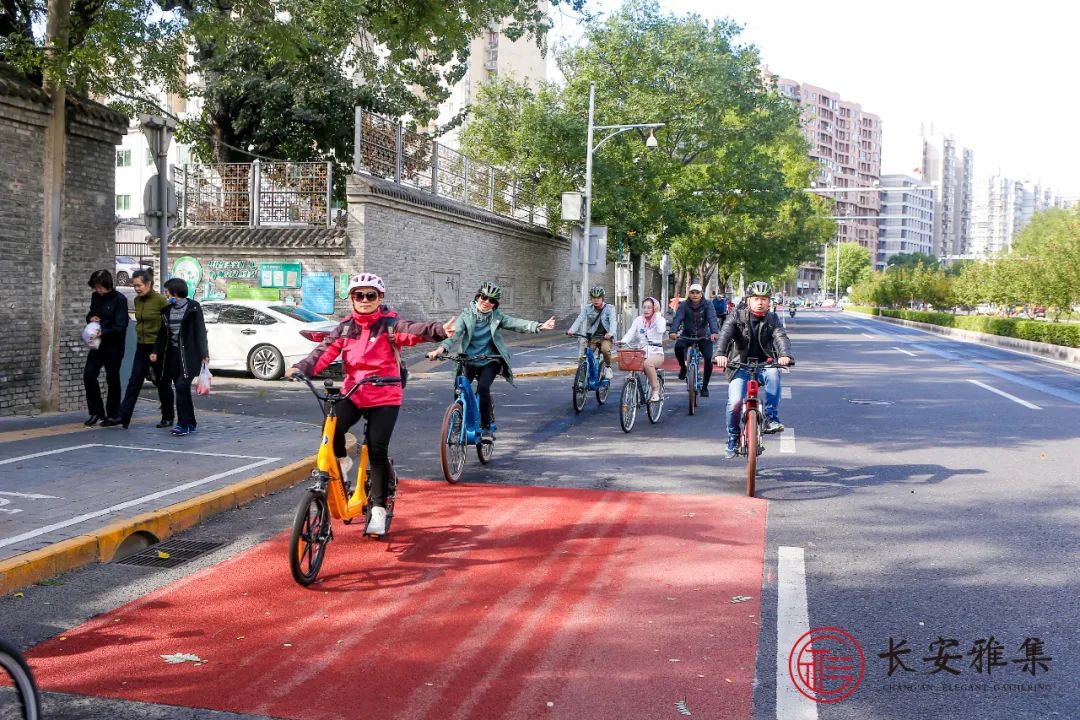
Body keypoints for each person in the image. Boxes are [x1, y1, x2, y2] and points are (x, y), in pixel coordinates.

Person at [286, 273, 453, 537]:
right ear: (352, 298)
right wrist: (301, 368)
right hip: (353, 392)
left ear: (379, 297)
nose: (364, 300)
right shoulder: (344, 328)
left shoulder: (390, 324)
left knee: (376, 450)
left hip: (385, 395)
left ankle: (377, 509)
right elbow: (323, 353)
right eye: (359, 295)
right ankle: (342, 462)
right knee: (331, 428)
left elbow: (413, 331)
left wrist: (439, 331)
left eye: (370, 295)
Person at [428, 281, 556, 442]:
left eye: (492, 300)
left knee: (483, 388)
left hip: (489, 360)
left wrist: (539, 326)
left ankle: (486, 427)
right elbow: (454, 334)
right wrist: (440, 350)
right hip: (468, 360)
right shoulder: (466, 315)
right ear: (478, 296)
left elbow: (516, 323)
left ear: (495, 304)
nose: (487, 302)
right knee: (459, 388)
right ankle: (459, 418)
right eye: (484, 297)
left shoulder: (497, 317)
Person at [714, 281, 793, 459]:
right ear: (748, 300)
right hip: (739, 366)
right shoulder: (736, 316)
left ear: (769, 301)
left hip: (765, 364)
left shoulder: (772, 318)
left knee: (774, 374)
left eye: (764, 299)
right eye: (756, 298)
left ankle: (771, 418)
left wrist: (785, 355)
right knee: (735, 402)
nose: (760, 302)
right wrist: (720, 354)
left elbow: (781, 337)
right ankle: (733, 437)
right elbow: (724, 335)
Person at [149, 278, 209, 437]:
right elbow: (163, 334)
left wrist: (204, 354)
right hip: (173, 356)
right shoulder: (167, 311)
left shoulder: (193, 307)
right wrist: (155, 351)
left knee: (182, 386)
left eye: (167, 292)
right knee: (182, 389)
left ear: (175, 292)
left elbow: (200, 331)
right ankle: (190, 423)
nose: (165, 294)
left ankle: (182, 424)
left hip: (189, 356)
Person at [118, 270, 173, 429]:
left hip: (157, 347)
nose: (137, 289)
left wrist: (160, 347)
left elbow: (167, 326)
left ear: (148, 284)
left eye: (139, 285)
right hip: (141, 346)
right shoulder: (137, 300)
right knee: (134, 380)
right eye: (134, 286)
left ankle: (168, 416)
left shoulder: (161, 301)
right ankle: (124, 416)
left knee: (162, 382)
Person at [84, 269, 129, 426]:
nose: (98, 290)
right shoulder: (95, 297)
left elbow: (121, 325)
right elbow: (91, 313)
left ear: (107, 284)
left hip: (114, 345)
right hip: (97, 343)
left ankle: (113, 414)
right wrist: (91, 318)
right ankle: (96, 411)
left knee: (112, 378)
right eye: (95, 287)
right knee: (89, 374)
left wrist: (103, 330)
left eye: (100, 287)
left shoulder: (120, 299)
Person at [668, 283, 720, 396]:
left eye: (697, 292)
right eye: (692, 292)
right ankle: (683, 368)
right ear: (689, 294)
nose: (695, 295)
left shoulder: (708, 304)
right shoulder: (684, 305)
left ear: (701, 294)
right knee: (678, 347)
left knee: (708, 358)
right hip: (687, 335)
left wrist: (714, 332)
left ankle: (705, 386)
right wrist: (673, 331)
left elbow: (712, 318)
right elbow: (678, 318)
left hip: (704, 336)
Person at [619, 296, 666, 401]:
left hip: (656, 353)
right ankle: (632, 388)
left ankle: (655, 389)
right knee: (631, 360)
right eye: (644, 307)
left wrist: (658, 313)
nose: (646, 310)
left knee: (647, 363)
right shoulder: (638, 320)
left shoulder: (660, 319)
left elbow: (661, 330)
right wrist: (622, 342)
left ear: (655, 308)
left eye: (649, 307)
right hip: (642, 352)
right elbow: (630, 333)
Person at [566, 286, 617, 380]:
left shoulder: (610, 308)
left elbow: (613, 322)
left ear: (602, 298)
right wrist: (572, 330)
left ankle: (607, 367)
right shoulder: (587, 308)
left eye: (598, 298)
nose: (596, 300)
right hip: (593, 337)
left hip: (606, 337)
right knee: (584, 356)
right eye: (593, 298)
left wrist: (611, 333)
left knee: (605, 349)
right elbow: (579, 319)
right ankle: (581, 380)